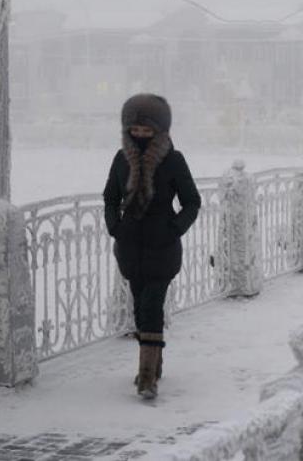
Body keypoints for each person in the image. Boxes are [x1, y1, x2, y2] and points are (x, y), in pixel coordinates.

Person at [103, 93, 201, 400]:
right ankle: (155, 362)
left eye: (147, 130)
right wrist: (115, 227)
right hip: (131, 247)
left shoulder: (174, 160)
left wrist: (173, 228)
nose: (141, 135)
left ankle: (146, 377)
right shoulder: (121, 160)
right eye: (136, 130)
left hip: (162, 247)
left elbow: (191, 202)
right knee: (139, 307)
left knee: (151, 306)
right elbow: (109, 197)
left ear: (160, 130)